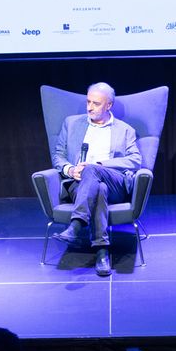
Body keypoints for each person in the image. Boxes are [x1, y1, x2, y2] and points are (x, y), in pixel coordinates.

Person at [50, 82, 142, 276]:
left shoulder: (125, 130)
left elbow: (135, 160)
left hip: (114, 182)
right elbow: (58, 155)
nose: (90, 107)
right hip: (79, 183)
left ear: (109, 105)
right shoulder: (71, 124)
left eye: (96, 103)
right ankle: (101, 252)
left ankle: (76, 225)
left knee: (93, 170)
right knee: (99, 189)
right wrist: (70, 169)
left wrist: (100, 165)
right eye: (88, 102)